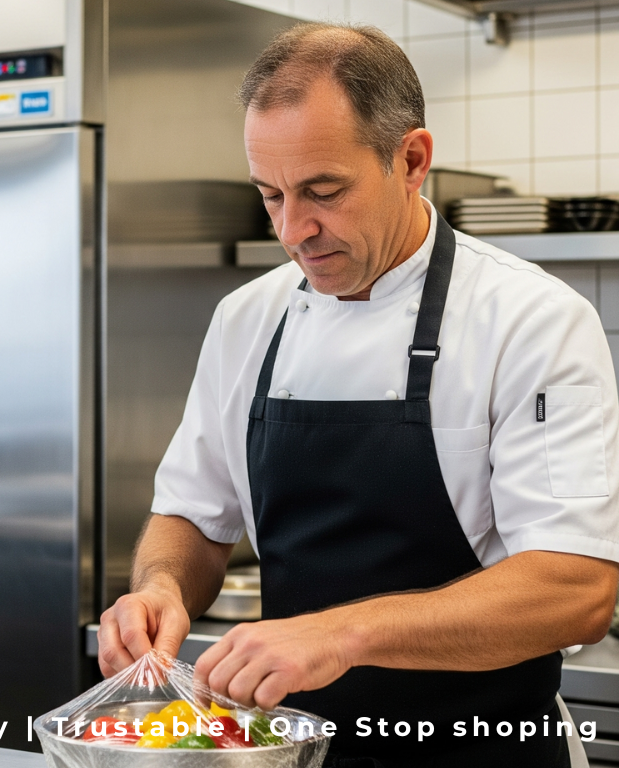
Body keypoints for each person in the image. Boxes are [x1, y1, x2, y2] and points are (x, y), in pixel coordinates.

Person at [97, 22, 619, 768]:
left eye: (323, 191)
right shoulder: (248, 318)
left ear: (411, 160)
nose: (293, 230)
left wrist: (343, 634)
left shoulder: (532, 320)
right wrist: (161, 588)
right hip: (290, 751)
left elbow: (575, 590)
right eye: (270, 194)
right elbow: (193, 516)